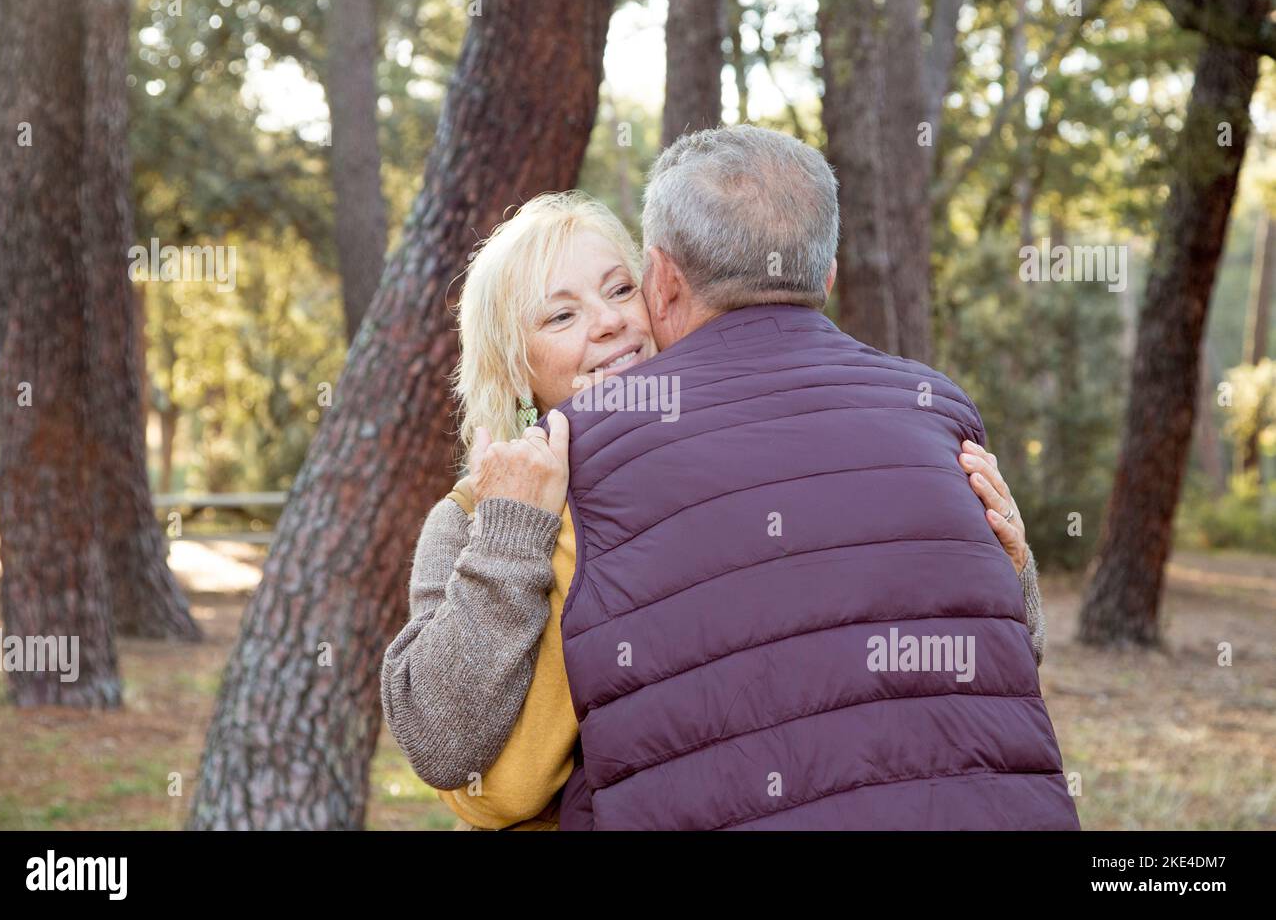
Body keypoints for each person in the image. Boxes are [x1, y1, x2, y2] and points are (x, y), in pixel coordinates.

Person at [381, 140, 1069, 828]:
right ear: (511, 369)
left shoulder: (749, 457)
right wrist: (510, 534)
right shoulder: (474, 517)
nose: (611, 321)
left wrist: (1013, 570)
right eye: (561, 315)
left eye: (621, 289)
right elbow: (470, 768)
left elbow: (956, 666)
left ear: (660, 288)